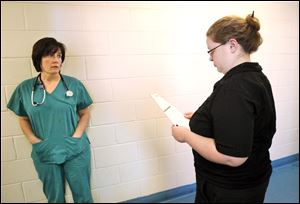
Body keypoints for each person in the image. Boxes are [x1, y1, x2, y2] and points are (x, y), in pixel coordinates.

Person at [171, 12, 276, 203]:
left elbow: (232, 157)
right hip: (252, 179)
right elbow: (248, 120)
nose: (210, 58)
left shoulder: (234, 88)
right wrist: (208, 117)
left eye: (211, 50)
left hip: (229, 189)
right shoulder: (256, 77)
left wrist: (185, 136)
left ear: (233, 45)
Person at [7, 37, 94, 203]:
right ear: (38, 59)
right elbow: (23, 118)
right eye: (50, 55)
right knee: (54, 198)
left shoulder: (74, 85)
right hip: (45, 150)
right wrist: (35, 141)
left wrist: (76, 137)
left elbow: (85, 113)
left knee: (83, 196)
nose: (56, 60)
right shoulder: (25, 89)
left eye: (59, 56)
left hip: (75, 149)